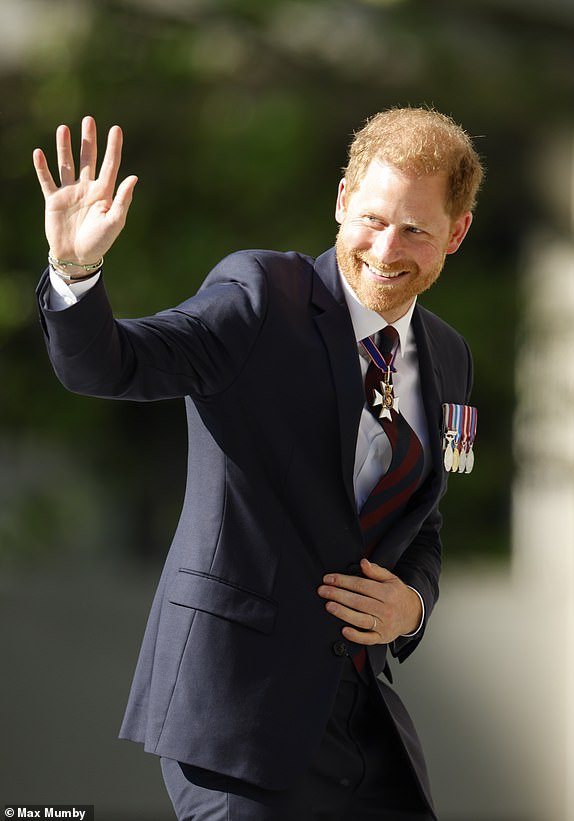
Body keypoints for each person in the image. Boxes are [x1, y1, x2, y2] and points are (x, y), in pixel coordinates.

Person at [33, 107, 483, 821]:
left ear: (456, 232)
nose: (386, 248)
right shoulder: (259, 297)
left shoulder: (450, 357)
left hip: (362, 730)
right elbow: (113, 364)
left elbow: (422, 525)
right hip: (236, 719)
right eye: (371, 217)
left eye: (416, 230)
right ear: (340, 201)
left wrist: (412, 604)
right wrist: (76, 270)